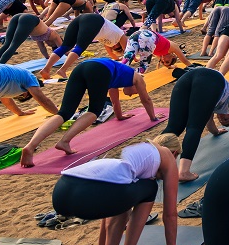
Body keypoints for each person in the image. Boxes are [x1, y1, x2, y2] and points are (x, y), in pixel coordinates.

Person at [52, 138, 192, 245]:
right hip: (93, 193)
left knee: (120, 194)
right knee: (149, 188)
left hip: (62, 192)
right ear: (174, 153)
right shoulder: (165, 155)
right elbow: (170, 214)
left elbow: (109, 205)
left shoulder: (135, 151)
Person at [22, 58, 158, 167]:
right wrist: (153, 118)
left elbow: (115, 102)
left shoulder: (118, 76)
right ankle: (65, 141)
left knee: (64, 112)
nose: (131, 95)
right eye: (135, 92)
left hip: (81, 68)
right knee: (94, 111)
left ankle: (30, 146)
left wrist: (120, 116)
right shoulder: (137, 78)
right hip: (98, 70)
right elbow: (145, 99)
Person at [38, 13, 127, 80]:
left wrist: (117, 58)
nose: (115, 47)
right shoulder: (120, 35)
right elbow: (128, 51)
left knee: (66, 46)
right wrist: (134, 59)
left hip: (83, 18)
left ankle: (46, 69)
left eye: (115, 49)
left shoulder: (108, 41)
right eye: (118, 47)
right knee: (80, 47)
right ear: (120, 45)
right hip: (95, 20)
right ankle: (62, 70)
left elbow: (111, 55)